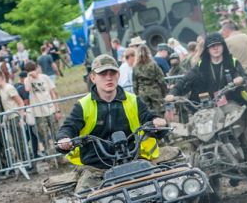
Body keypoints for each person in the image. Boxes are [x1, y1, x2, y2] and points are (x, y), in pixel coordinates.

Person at [56, 54, 167, 193]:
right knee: (85, 201)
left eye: (112, 73)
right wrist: (64, 138)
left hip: (134, 160)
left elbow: (148, 117)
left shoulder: (132, 100)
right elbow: (69, 126)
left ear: (118, 75)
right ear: (93, 77)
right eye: (103, 73)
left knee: (165, 188)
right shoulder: (83, 105)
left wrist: (157, 122)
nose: (108, 77)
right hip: (96, 168)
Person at [23, 61, 61, 154]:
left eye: (33, 69)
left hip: (50, 110)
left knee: (57, 134)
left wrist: (57, 110)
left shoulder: (45, 77)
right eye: (29, 71)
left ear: (37, 68)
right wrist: (29, 76)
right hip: (39, 114)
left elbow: (53, 93)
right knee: (44, 137)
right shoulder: (27, 80)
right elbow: (27, 89)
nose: (33, 72)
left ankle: (61, 155)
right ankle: (50, 157)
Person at [131, 45, 167, 114]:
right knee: (159, 113)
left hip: (142, 92)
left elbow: (135, 84)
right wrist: (164, 92)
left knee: (146, 113)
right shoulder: (153, 64)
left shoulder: (135, 67)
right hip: (155, 91)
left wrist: (137, 94)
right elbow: (161, 80)